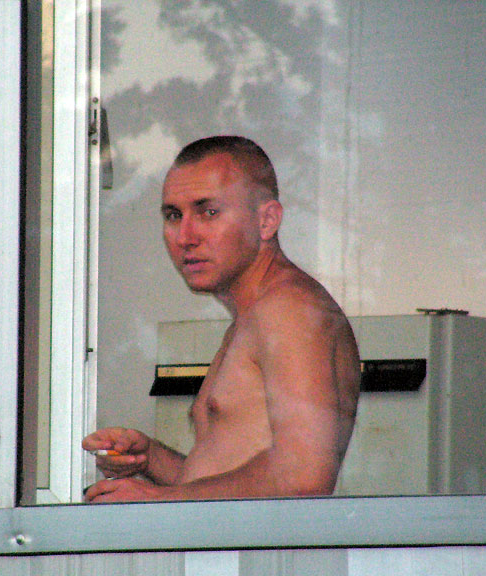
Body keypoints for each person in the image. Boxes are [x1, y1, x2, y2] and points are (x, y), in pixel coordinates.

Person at [82, 135, 360, 502]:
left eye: (208, 212)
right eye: (174, 215)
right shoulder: (254, 315)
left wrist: (156, 501)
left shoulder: (289, 310)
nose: (186, 236)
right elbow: (224, 485)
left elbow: (303, 476)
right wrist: (150, 458)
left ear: (267, 220)